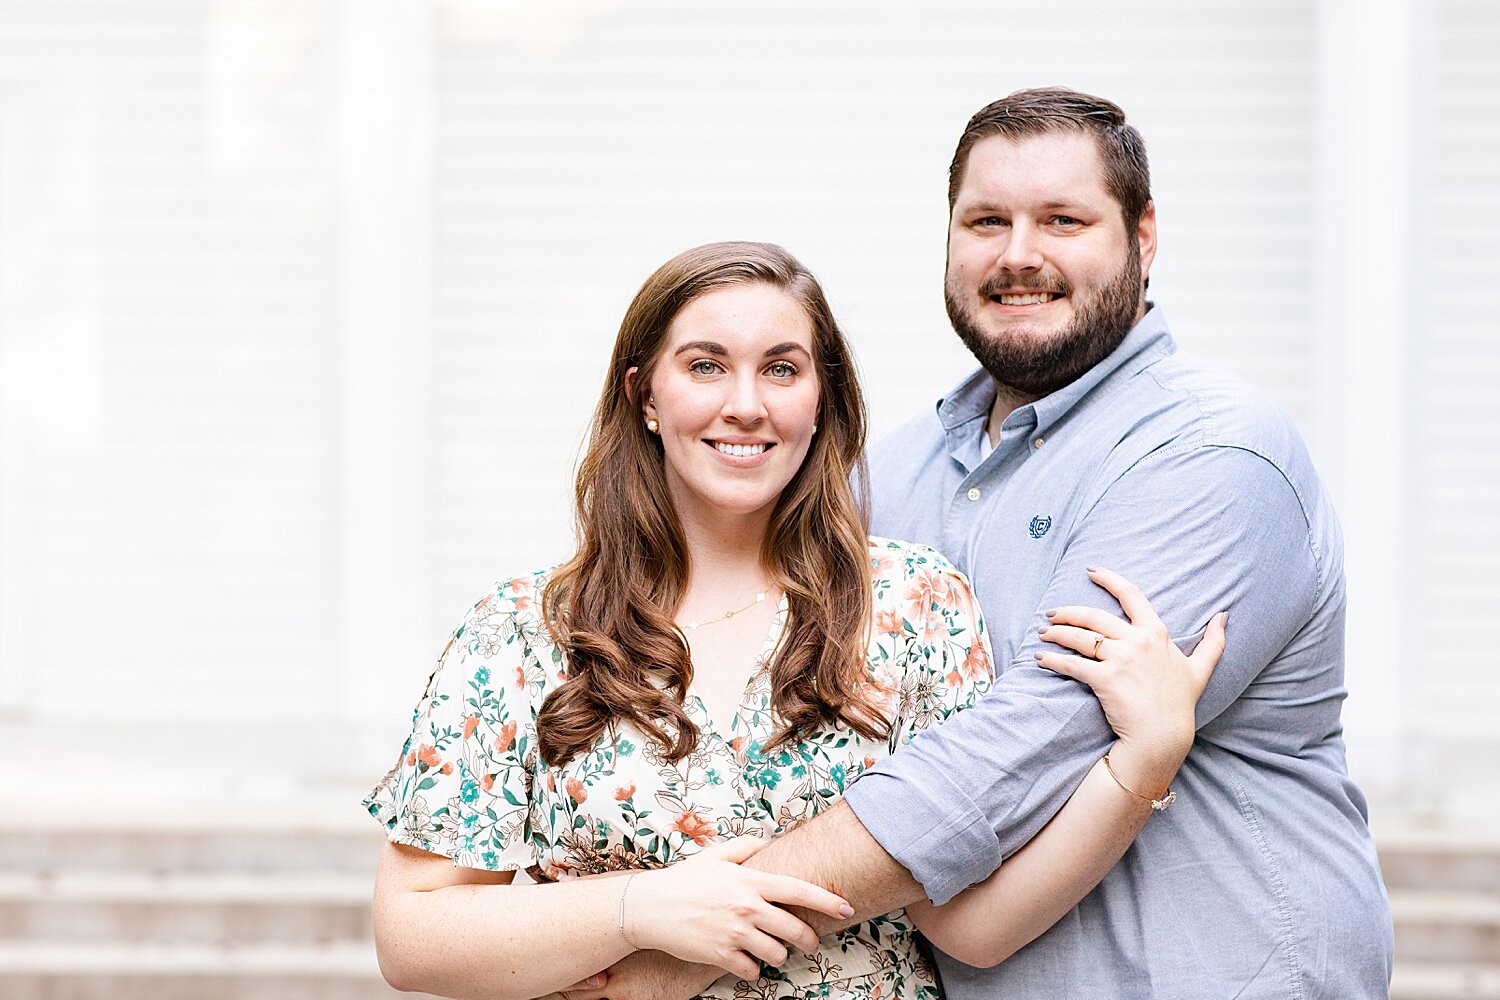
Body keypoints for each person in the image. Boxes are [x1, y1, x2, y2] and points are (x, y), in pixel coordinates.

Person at [569, 90, 1394, 1000]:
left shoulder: (1211, 454)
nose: (1019, 255)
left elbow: (1020, 751)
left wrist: (696, 939)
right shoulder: (889, 477)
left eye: (1064, 220)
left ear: (1145, 236)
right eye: (986, 220)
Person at [365, 240, 1225, 1000]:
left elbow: (973, 928)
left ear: (820, 400)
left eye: (781, 369)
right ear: (644, 396)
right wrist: (640, 909)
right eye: (705, 366)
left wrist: (1143, 764)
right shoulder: (521, 632)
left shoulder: (915, 605)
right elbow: (414, 938)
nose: (747, 404)